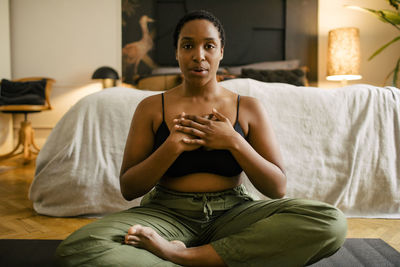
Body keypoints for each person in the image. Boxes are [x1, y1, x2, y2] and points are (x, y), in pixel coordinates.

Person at [55, 10, 347, 267]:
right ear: (177, 53)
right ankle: (215, 258)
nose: (199, 55)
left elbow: (277, 188)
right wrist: (171, 148)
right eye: (188, 46)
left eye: (209, 46)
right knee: (79, 248)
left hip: (234, 212)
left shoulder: (248, 107)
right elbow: (129, 188)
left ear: (221, 51)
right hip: (166, 213)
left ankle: (182, 257)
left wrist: (233, 141)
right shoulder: (151, 108)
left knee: (330, 223)